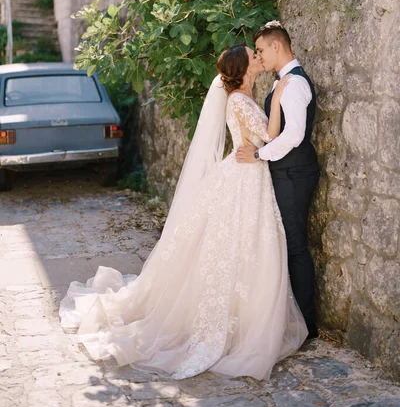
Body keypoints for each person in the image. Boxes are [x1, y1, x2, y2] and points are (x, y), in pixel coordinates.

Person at [59, 44, 308, 381]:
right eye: (253, 55)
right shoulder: (238, 100)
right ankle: (226, 323)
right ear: (243, 67)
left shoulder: (244, 96)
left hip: (250, 176)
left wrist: (265, 125)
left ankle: (245, 315)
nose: (258, 57)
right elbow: (271, 136)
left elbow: (261, 142)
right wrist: (278, 98)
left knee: (245, 247)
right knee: (236, 245)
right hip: (243, 180)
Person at [236, 22, 320, 340]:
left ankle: (306, 327)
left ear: (276, 46)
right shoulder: (283, 81)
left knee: (296, 247)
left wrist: (259, 156)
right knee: (288, 245)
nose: (258, 55)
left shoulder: (295, 83)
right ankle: (294, 321)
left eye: (260, 49)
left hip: (294, 173)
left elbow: (294, 135)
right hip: (286, 172)